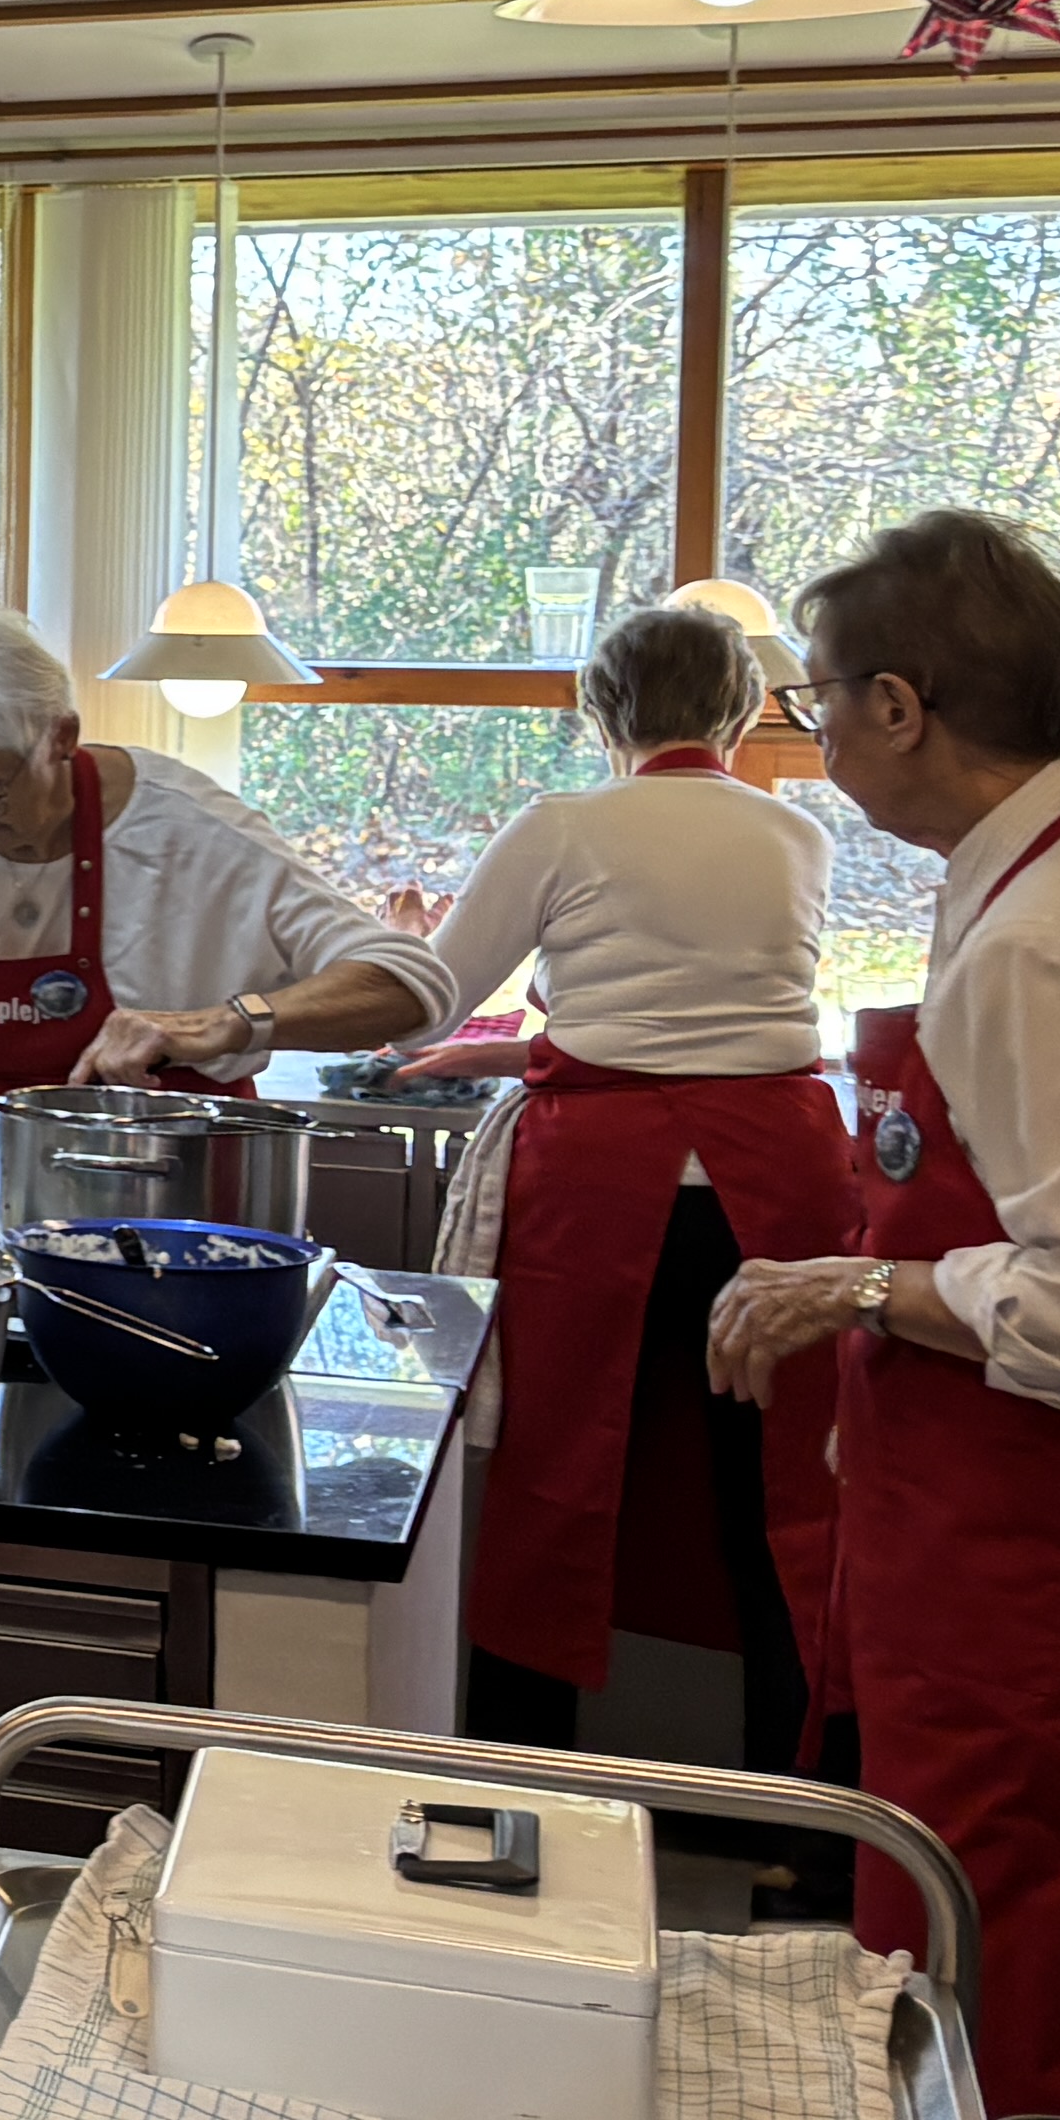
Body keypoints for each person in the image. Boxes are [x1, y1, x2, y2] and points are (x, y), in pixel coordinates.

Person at [704, 509, 1060, 2120]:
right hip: (1038, 1498)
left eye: (816, 699)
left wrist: (857, 1286)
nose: (813, 737)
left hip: (1054, 1524)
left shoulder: (1042, 935)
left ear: (900, 705)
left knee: (1030, 1952)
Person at [394, 602, 851, 1775]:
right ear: (743, 712)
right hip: (782, 1176)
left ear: (601, 710)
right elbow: (702, 1016)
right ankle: (803, 1824)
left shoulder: (565, 824)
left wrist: (392, 961)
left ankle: (518, 1791)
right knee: (785, 1500)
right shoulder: (799, 835)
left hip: (600, 1182)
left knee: (555, 1481)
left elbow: (432, 994)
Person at [0, 609, 457, 1187]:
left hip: (163, 1197)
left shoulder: (187, 831)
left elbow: (409, 985)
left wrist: (223, 1022)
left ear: (60, 736)